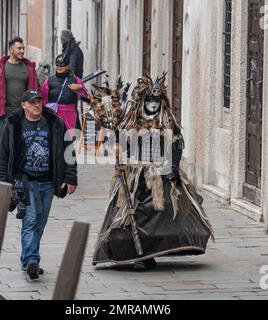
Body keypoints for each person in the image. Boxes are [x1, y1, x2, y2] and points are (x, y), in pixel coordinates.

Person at [85, 75, 214, 271]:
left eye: (156, 100)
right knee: (132, 213)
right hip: (134, 174)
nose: (153, 104)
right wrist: (119, 147)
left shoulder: (167, 119)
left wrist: (172, 167)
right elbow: (120, 143)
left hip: (162, 173)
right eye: (149, 100)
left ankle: (152, 251)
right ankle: (139, 255)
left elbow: (177, 143)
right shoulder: (131, 118)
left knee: (163, 213)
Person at [0, 90, 78, 280]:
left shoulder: (55, 123)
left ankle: (28, 258)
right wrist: (4, 184)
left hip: (47, 181)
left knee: (40, 223)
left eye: (39, 102)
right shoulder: (14, 124)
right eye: (32, 102)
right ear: (23, 105)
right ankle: (32, 260)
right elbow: (3, 155)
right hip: (25, 181)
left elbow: (68, 150)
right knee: (30, 220)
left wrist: (70, 177)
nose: (36, 105)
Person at [0, 36, 41, 143]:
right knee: (4, 146)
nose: (22, 51)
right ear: (11, 50)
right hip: (3, 114)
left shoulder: (29, 68)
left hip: (24, 114)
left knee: (22, 145)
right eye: (19, 48)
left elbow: (37, 89)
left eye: (23, 48)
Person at [41, 53, 87, 134]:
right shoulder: (49, 80)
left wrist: (79, 88)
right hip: (53, 113)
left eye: (62, 66)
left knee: (68, 138)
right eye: (58, 65)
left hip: (70, 114)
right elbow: (44, 98)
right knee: (55, 137)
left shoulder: (75, 80)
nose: (59, 68)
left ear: (67, 66)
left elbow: (85, 96)